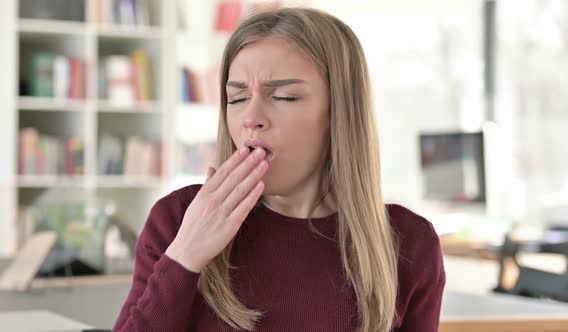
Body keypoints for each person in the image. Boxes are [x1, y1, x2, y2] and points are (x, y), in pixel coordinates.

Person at [113, 7, 444, 332]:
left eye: (284, 97)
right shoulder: (177, 219)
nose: (251, 117)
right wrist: (185, 256)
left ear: (339, 114)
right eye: (238, 97)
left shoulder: (411, 244)